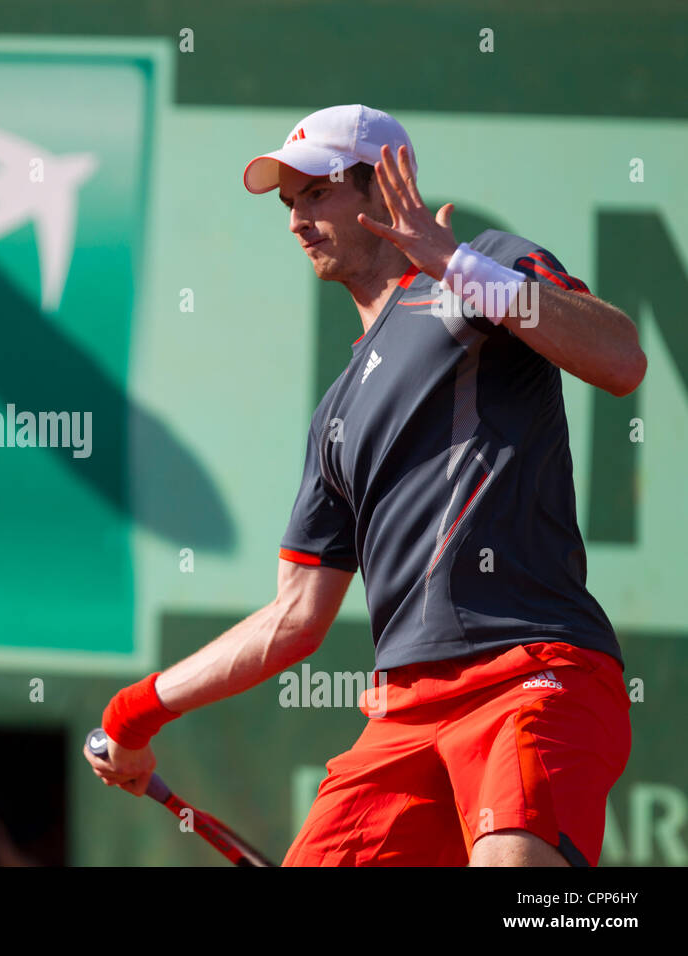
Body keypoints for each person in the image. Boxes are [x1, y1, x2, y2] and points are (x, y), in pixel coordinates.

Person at [85, 105, 645, 867]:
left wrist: (458, 266)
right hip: (402, 716)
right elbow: (294, 618)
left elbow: (620, 359)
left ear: (382, 184)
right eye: (289, 203)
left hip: (532, 673)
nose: (295, 220)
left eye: (314, 192)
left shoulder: (480, 269)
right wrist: (135, 713)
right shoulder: (336, 414)